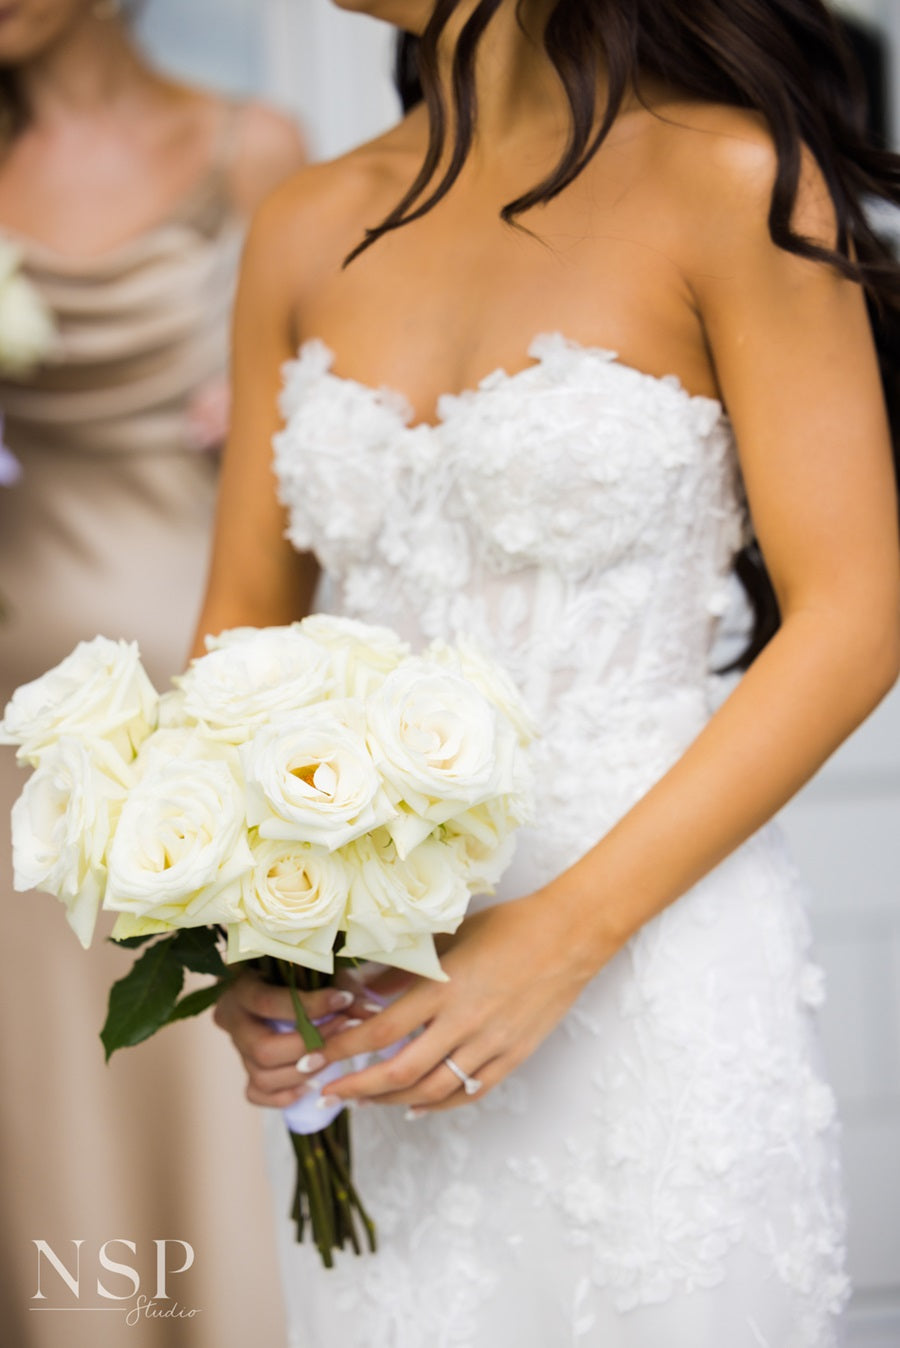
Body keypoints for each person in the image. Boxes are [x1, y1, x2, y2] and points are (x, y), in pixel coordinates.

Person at [201, 1, 900, 1344]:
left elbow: (856, 616)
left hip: (652, 954)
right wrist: (250, 935)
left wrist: (559, 940)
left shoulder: (733, 179)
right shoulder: (303, 219)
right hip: (382, 1001)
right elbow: (245, 624)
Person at [0, 2, 306, 1344]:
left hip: (206, 697)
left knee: (201, 1062)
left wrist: (282, 405)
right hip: (16, 725)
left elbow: (341, 392)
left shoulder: (256, 145)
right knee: (49, 1085)